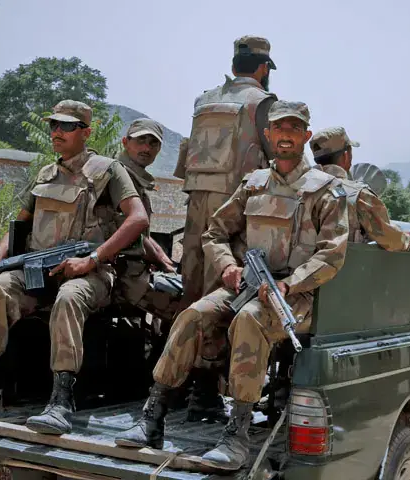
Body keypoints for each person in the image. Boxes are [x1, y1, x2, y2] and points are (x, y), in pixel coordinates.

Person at [115, 100, 350, 470]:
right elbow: (215, 232)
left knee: (251, 319)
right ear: (268, 134)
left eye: (294, 128)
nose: (286, 135)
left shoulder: (325, 191)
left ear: (305, 135)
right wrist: (227, 265)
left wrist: (289, 285)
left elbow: (332, 254)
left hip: (296, 298)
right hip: (245, 285)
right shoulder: (253, 184)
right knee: (193, 315)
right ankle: (153, 415)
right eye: (279, 128)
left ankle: (237, 434)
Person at [0, 100, 150, 435]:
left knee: (69, 297)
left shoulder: (108, 170)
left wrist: (92, 259)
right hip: (39, 269)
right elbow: (19, 226)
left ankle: (61, 401)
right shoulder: (46, 174)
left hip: (89, 273)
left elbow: (138, 219)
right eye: (53, 126)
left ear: (86, 132)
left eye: (66, 126)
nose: (57, 132)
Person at [173, 35, 278, 311]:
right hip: (234, 205)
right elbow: (278, 155)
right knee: (223, 283)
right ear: (263, 68)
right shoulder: (263, 102)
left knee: (191, 277)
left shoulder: (203, 100)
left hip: (195, 200)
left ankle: (179, 334)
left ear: (233, 67)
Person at [112, 118, 180, 324]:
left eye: (153, 143)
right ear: (125, 142)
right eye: (140, 141)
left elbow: (143, 236)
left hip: (133, 271)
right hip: (121, 274)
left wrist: (167, 263)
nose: (146, 148)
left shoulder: (134, 178)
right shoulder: (117, 177)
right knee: (187, 310)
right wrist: (162, 262)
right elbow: (133, 235)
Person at [309, 126, 410, 251]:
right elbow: (392, 241)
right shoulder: (358, 195)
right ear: (346, 155)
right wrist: (407, 239)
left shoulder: (299, 190)